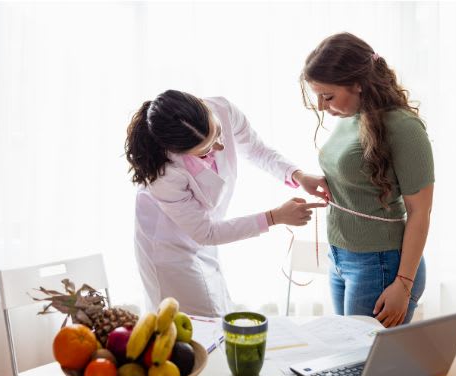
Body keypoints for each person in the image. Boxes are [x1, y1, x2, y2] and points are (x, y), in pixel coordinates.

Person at [125, 90, 330, 317]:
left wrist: (297, 175)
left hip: (203, 237)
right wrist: (275, 217)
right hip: (168, 248)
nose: (220, 146)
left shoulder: (222, 109)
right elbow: (206, 232)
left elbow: (257, 150)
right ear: (177, 151)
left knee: (218, 316)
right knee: (195, 324)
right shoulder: (164, 174)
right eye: (206, 150)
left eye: (219, 133)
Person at [301, 33, 434, 327]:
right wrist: (318, 179)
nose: (322, 106)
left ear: (358, 84)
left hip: (381, 264)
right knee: (350, 361)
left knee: (363, 364)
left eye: (328, 96)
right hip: (340, 258)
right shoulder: (352, 116)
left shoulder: (404, 128)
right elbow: (359, 174)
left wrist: (404, 283)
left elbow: (420, 212)